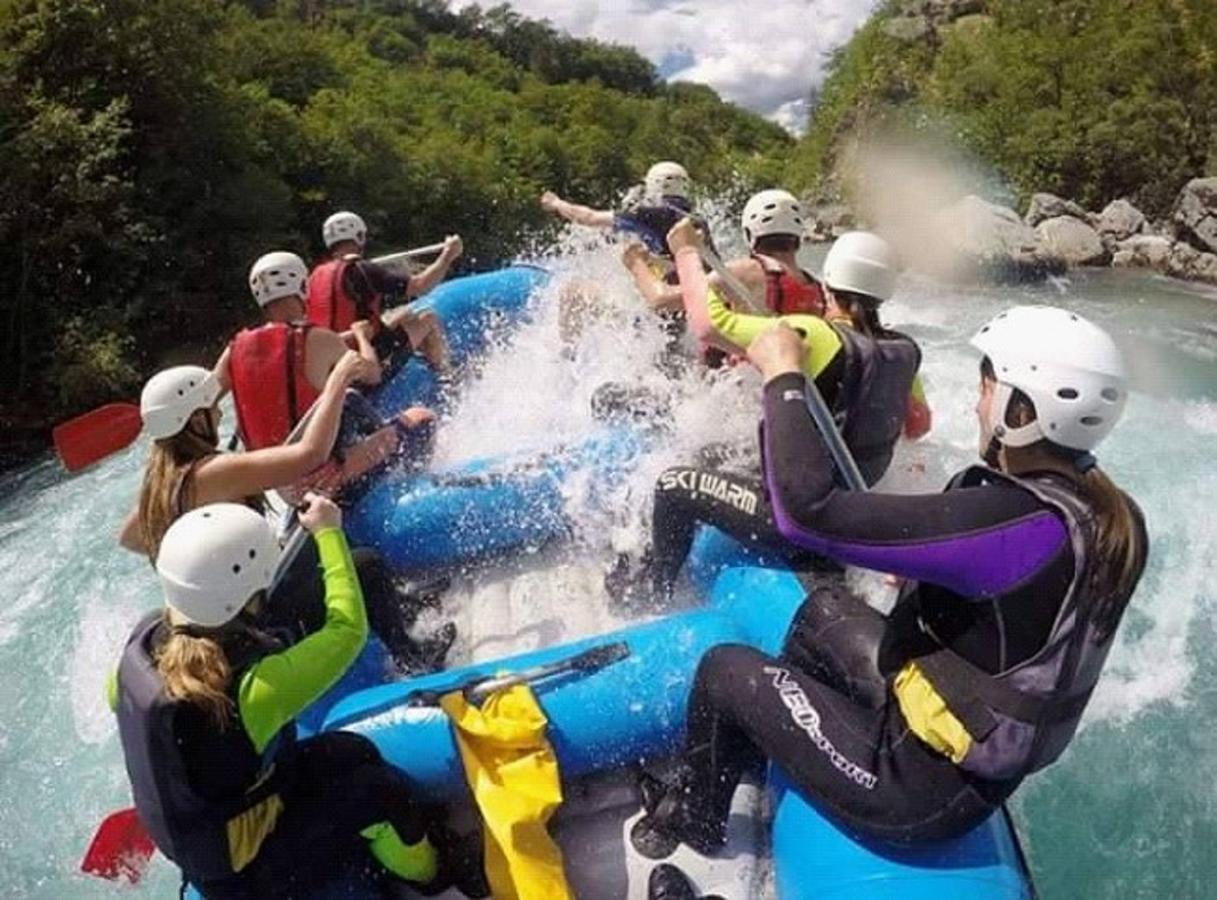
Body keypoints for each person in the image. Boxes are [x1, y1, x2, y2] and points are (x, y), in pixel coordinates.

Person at [630, 306, 1148, 858]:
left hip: (915, 787)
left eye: (986, 388)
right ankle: (786, 739)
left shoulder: (1015, 523)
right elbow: (1016, 611)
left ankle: (696, 819)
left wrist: (783, 376)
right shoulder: (1112, 512)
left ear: (1019, 409)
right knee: (826, 609)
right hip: (948, 740)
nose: (976, 403)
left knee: (724, 670)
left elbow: (806, 513)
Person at [111, 498, 457, 898]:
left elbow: (131, 713)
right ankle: (435, 877)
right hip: (245, 875)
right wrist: (328, 531)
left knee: (351, 751)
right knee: (379, 792)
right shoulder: (254, 691)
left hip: (221, 825)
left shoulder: (139, 647)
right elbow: (347, 631)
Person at [607, 223, 928, 606]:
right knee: (711, 455)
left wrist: (688, 254)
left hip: (799, 516)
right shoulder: (904, 351)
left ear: (828, 285)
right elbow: (918, 425)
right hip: (851, 506)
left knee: (673, 485)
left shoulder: (810, 333)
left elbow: (709, 326)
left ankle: (653, 591)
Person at [116, 361, 454, 672]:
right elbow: (310, 455)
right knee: (365, 564)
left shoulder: (158, 487)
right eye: (212, 409)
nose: (219, 416)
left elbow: (128, 537)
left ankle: (402, 604)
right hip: (258, 620)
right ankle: (412, 657)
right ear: (193, 420)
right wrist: (336, 382)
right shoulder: (213, 472)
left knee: (308, 529)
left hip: (229, 613)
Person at [213, 250, 435, 457]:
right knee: (421, 419)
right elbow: (372, 373)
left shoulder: (233, 350)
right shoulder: (315, 339)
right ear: (302, 286)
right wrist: (361, 337)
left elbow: (206, 400)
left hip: (264, 467)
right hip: (314, 467)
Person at [624, 188, 825, 320]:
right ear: (799, 236)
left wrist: (636, 263)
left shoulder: (744, 272)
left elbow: (662, 300)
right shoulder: (816, 287)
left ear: (748, 233)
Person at [308, 210, 459, 372]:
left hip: (330, 357)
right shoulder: (365, 270)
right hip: (368, 357)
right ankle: (447, 376)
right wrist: (448, 256)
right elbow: (420, 286)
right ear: (359, 237)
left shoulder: (314, 277)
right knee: (428, 317)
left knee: (406, 313)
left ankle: (422, 352)